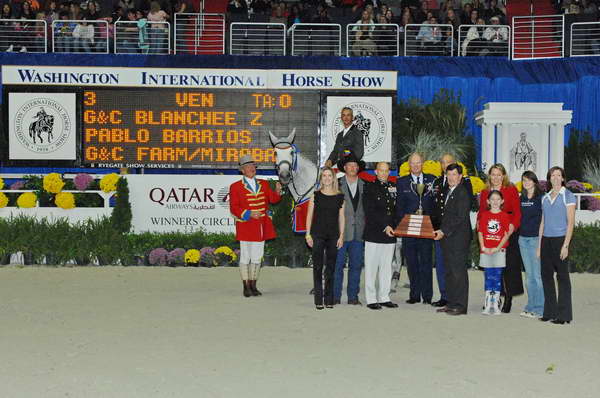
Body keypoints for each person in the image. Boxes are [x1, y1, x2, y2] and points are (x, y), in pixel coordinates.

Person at [229, 154, 282, 297]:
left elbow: (273, 199)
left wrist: (277, 191)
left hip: (261, 226)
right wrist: (249, 213)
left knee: (257, 257)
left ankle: (253, 284)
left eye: (253, 166)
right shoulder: (235, 187)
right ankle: (246, 286)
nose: (251, 168)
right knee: (245, 256)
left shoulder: (263, 184)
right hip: (246, 226)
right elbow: (234, 208)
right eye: (247, 167)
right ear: (242, 170)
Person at [478, 163, 523, 313]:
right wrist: (479, 226)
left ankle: (508, 297)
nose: (496, 177)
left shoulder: (511, 189)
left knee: (508, 266)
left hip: (507, 230)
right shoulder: (485, 192)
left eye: (499, 174)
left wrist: (513, 227)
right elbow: (481, 212)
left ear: (503, 176)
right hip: (490, 233)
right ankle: (492, 297)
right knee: (491, 267)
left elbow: (517, 212)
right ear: (489, 176)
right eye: (493, 174)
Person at [431, 154, 474, 308]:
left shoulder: (462, 192)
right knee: (449, 271)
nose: (451, 177)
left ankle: (460, 305)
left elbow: (460, 217)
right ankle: (451, 302)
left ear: (460, 176)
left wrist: (443, 231)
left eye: (454, 174)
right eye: (448, 174)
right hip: (448, 238)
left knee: (458, 272)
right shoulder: (449, 191)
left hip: (458, 239)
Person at [396, 152, 435, 304]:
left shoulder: (431, 180)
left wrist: (432, 223)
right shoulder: (402, 182)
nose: (416, 166)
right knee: (411, 263)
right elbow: (399, 206)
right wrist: (402, 224)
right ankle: (414, 294)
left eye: (418, 163)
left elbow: (434, 204)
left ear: (422, 163)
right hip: (409, 228)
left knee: (426, 262)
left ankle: (427, 296)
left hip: (426, 228)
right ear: (409, 165)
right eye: (413, 163)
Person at [538, 166, 575, 325]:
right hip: (546, 240)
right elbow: (543, 222)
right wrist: (539, 246)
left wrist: (565, 245)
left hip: (561, 240)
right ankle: (549, 312)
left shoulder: (568, 195)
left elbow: (571, 223)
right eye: (552, 175)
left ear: (563, 178)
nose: (555, 178)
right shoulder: (545, 197)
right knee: (546, 277)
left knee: (563, 278)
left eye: (558, 175)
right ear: (549, 178)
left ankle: (564, 315)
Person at [305, 167, 345, 310]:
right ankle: (318, 299)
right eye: (324, 176)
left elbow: (342, 217)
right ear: (321, 178)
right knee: (317, 267)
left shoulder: (340, 196)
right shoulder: (315, 195)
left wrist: (341, 235)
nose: (327, 178)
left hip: (333, 235)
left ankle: (329, 299)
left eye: (329, 176)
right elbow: (309, 216)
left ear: (333, 178)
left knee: (331, 268)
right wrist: (307, 234)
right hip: (317, 235)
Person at [363, 162, 398, 310]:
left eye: (386, 171)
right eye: (381, 170)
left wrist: (396, 227)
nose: (383, 173)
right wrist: (386, 226)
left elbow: (396, 209)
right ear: (376, 172)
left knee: (386, 267)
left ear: (389, 172)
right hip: (374, 233)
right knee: (371, 267)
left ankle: (384, 296)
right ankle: (371, 299)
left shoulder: (393, 187)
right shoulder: (369, 187)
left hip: (391, 233)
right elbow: (370, 211)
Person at [333, 150, 366, 305]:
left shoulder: (365, 186)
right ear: (344, 168)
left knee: (356, 267)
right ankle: (335, 296)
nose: (352, 168)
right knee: (337, 266)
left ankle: (353, 297)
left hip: (359, 233)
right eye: (349, 165)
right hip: (339, 234)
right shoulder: (336, 184)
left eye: (355, 165)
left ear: (358, 168)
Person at [478, 190, 514, 315]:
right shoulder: (484, 215)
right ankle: (488, 303)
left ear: (502, 201)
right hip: (486, 251)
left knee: (497, 277)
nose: (495, 202)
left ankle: (496, 303)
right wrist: (483, 247)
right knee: (488, 277)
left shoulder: (504, 216)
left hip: (499, 250)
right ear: (488, 201)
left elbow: (506, 235)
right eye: (492, 199)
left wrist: (497, 248)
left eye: (498, 199)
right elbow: (481, 232)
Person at [518, 171, 545, 319]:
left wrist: (541, 243)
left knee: (537, 276)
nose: (526, 182)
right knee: (529, 276)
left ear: (534, 181)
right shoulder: (521, 198)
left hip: (536, 239)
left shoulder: (540, 198)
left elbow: (543, 221)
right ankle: (531, 305)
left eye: (529, 180)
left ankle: (540, 308)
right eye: (524, 180)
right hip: (523, 240)